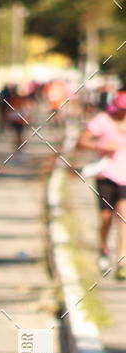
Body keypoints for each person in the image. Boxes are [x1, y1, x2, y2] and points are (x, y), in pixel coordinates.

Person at [77, 90, 126, 279]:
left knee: (123, 216)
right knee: (106, 218)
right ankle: (104, 249)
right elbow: (82, 142)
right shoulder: (102, 120)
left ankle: (122, 261)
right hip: (106, 175)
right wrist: (102, 147)